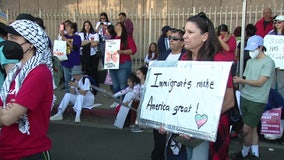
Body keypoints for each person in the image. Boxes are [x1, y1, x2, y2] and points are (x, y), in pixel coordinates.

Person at [179, 12, 235, 160]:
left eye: (190, 32)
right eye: (185, 31)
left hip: (210, 127)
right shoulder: (184, 59)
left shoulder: (219, 61)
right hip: (187, 128)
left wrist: (198, 123)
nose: (184, 36)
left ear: (204, 37)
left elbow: (229, 101)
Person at [0, 19, 53, 159]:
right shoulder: (14, 73)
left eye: (14, 38)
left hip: (27, 153)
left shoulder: (39, 73)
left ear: (30, 44)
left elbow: (8, 118)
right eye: (7, 37)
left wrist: (8, 112)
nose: (8, 42)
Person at [232, 35, 275, 160]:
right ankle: (254, 154)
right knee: (252, 127)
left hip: (257, 100)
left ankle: (245, 152)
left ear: (261, 47)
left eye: (253, 49)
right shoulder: (250, 61)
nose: (251, 52)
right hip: (245, 97)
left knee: (246, 129)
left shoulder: (268, 62)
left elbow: (260, 82)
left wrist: (241, 81)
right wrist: (240, 81)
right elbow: (246, 78)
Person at [152, 28, 186, 160]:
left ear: (183, 42)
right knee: (159, 136)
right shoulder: (163, 55)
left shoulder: (186, 57)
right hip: (162, 100)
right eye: (170, 38)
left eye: (175, 38)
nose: (171, 40)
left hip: (178, 101)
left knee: (176, 139)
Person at [109, 22, 137, 94]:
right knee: (115, 85)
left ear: (122, 27)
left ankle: (123, 102)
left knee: (123, 85)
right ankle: (117, 101)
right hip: (113, 64)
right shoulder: (112, 38)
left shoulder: (127, 38)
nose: (116, 27)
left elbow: (133, 50)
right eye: (115, 25)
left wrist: (122, 52)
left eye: (118, 25)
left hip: (123, 63)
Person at [59, 22, 82, 92]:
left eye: (68, 27)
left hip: (74, 61)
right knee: (67, 80)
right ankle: (68, 95)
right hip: (65, 61)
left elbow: (75, 47)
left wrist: (66, 40)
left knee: (75, 80)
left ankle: (75, 95)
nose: (66, 28)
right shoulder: (64, 36)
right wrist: (61, 35)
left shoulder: (77, 37)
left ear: (72, 29)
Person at [78, 20, 100, 86]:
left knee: (93, 71)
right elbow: (80, 43)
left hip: (92, 55)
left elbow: (95, 43)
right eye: (85, 25)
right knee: (85, 71)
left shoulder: (95, 34)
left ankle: (95, 85)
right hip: (83, 55)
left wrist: (85, 43)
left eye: (88, 25)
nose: (87, 27)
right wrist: (90, 41)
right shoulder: (80, 34)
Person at [268, 15, 284, 98]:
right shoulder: (270, 33)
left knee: (282, 84)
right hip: (272, 62)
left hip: (282, 64)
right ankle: (273, 102)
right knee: (271, 84)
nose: (277, 24)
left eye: (279, 22)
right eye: (275, 22)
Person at [130, 66, 148, 133]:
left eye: (139, 73)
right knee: (139, 113)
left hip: (145, 102)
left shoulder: (147, 84)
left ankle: (141, 126)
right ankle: (140, 126)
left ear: (144, 75)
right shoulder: (138, 85)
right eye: (136, 74)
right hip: (140, 101)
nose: (137, 75)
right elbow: (135, 93)